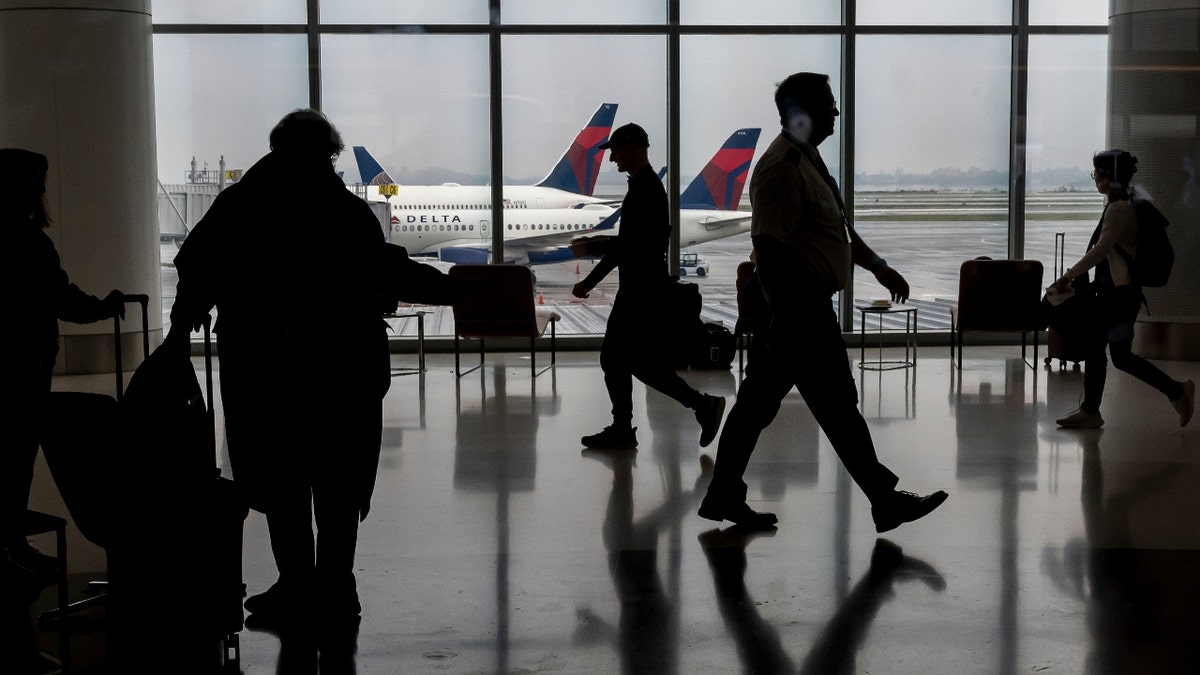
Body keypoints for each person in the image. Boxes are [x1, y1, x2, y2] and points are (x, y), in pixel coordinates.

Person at [166, 109, 470, 627]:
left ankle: (297, 584)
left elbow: (196, 263)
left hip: (265, 372)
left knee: (280, 481)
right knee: (339, 483)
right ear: (325, 153)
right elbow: (380, 269)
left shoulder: (240, 205)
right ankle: (335, 585)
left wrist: (184, 321)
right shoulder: (344, 212)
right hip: (343, 372)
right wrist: (454, 286)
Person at [698, 72, 948, 531]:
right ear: (803, 114)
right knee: (830, 407)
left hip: (801, 308)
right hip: (797, 309)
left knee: (764, 406)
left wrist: (876, 265)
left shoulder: (808, 160)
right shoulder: (782, 168)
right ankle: (883, 500)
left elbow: (835, 230)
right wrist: (783, 318)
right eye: (829, 105)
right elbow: (768, 249)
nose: (836, 112)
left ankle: (724, 495)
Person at [0, 148, 125, 581]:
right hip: (25, 369)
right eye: (37, 184)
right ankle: (11, 544)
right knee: (17, 459)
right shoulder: (31, 244)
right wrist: (104, 308)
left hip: (13, 367)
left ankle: (8, 545)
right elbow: (62, 299)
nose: (41, 192)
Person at [572, 122, 726, 450]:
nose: (612, 157)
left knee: (615, 359)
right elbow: (639, 242)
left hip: (639, 293)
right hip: (643, 289)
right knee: (635, 362)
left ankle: (628, 427)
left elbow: (631, 247)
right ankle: (698, 406)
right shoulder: (645, 187)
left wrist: (590, 278)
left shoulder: (645, 190)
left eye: (615, 149)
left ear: (632, 148)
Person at [1052, 149, 1194, 429]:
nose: (1095, 180)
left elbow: (1100, 250)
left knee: (1117, 356)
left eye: (1097, 175)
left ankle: (1177, 391)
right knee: (1109, 353)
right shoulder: (1124, 205)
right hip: (1119, 294)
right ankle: (1093, 409)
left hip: (1119, 296)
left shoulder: (1118, 209)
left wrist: (1067, 276)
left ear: (1109, 178)